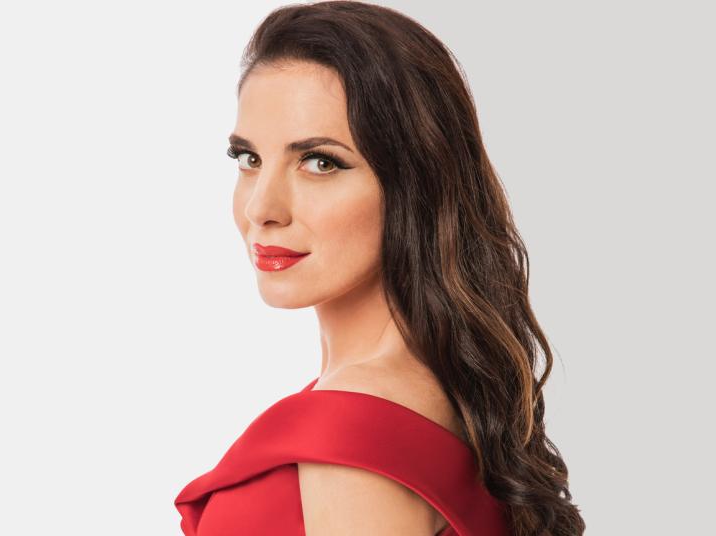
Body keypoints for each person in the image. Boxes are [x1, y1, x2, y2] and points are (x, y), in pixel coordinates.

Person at [174, 2, 585, 535]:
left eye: (320, 162)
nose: (261, 208)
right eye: (249, 159)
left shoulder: (354, 428)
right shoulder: (442, 388)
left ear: (414, 184)